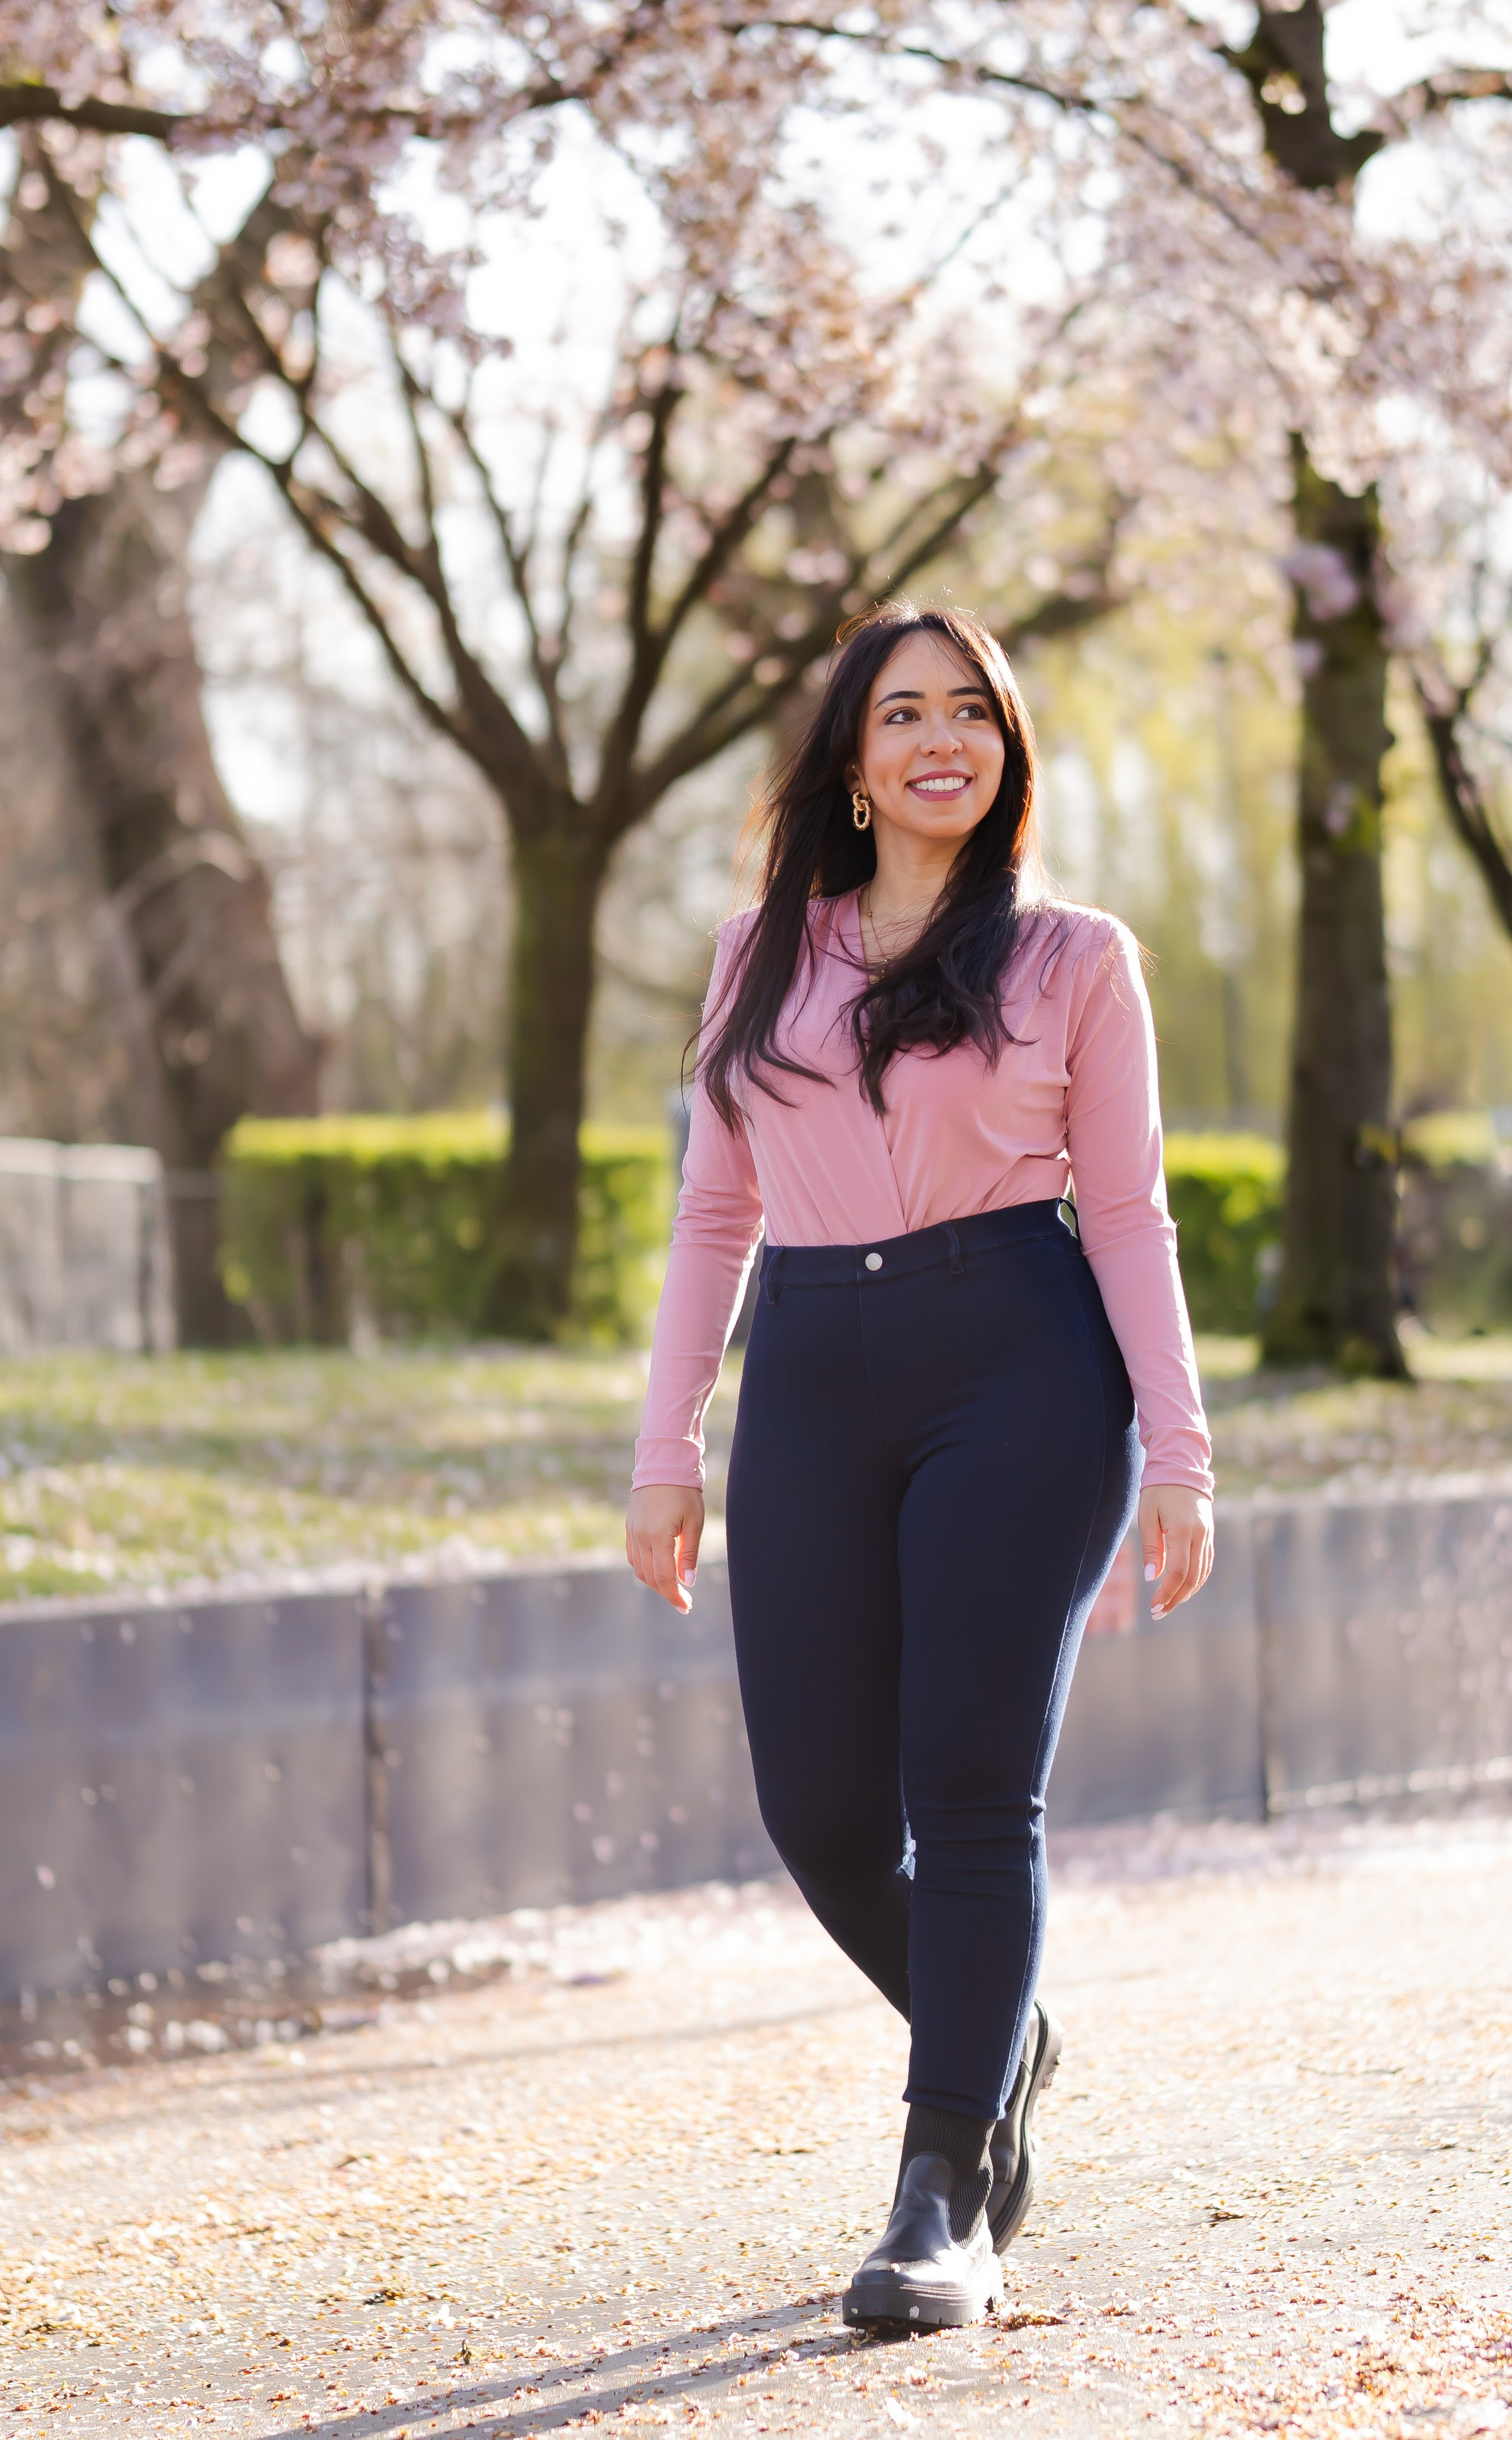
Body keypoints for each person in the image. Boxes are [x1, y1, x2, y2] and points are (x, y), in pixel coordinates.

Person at [623, 605, 1214, 2331]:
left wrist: (1177, 1448)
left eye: (971, 712)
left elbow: (1125, 1214)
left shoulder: (1070, 960)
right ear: (854, 762)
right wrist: (667, 1444)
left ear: (1004, 755)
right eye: (902, 714)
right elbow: (712, 1213)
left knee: (965, 1793)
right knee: (816, 1812)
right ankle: (998, 2029)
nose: (938, 737)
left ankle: (939, 2193)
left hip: (1018, 1371)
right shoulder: (757, 955)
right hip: (808, 1374)